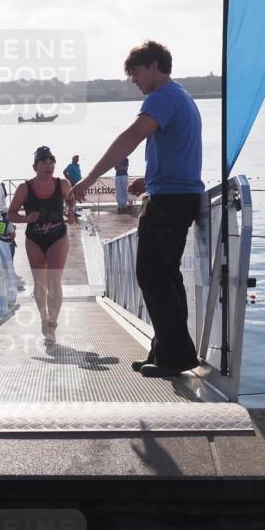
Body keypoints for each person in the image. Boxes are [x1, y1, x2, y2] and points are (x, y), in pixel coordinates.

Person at [69, 40, 204, 377]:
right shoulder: (181, 96)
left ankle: (175, 356)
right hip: (179, 195)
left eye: (137, 73)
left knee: (151, 276)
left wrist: (88, 180)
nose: (134, 81)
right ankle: (167, 351)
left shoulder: (162, 98)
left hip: (169, 201)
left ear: (155, 65)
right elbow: (178, 150)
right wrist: (149, 179)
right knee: (167, 277)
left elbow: (129, 139)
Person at [7, 146, 76, 344]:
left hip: (57, 237)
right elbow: (11, 214)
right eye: (44, 162)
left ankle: (52, 324)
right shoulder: (24, 189)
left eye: (52, 161)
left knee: (55, 280)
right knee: (40, 284)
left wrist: (71, 211)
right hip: (35, 239)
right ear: (34, 166)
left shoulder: (62, 184)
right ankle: (43, 318)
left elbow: (71, 201)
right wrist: (26, 218)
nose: (49, 165)